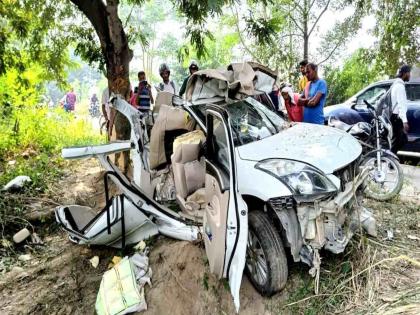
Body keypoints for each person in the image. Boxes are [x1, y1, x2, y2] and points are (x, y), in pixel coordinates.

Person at [390, 64, 411, 153]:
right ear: (405, 73)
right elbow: (401, 105)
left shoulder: (397, 84)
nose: (410, 75)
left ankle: (390, 160)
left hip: (395, 117)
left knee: (401, 140)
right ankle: (389, 161)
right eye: (409, 73)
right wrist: (404, 121)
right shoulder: (400, 86)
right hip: (396, 118)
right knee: (398, 141)